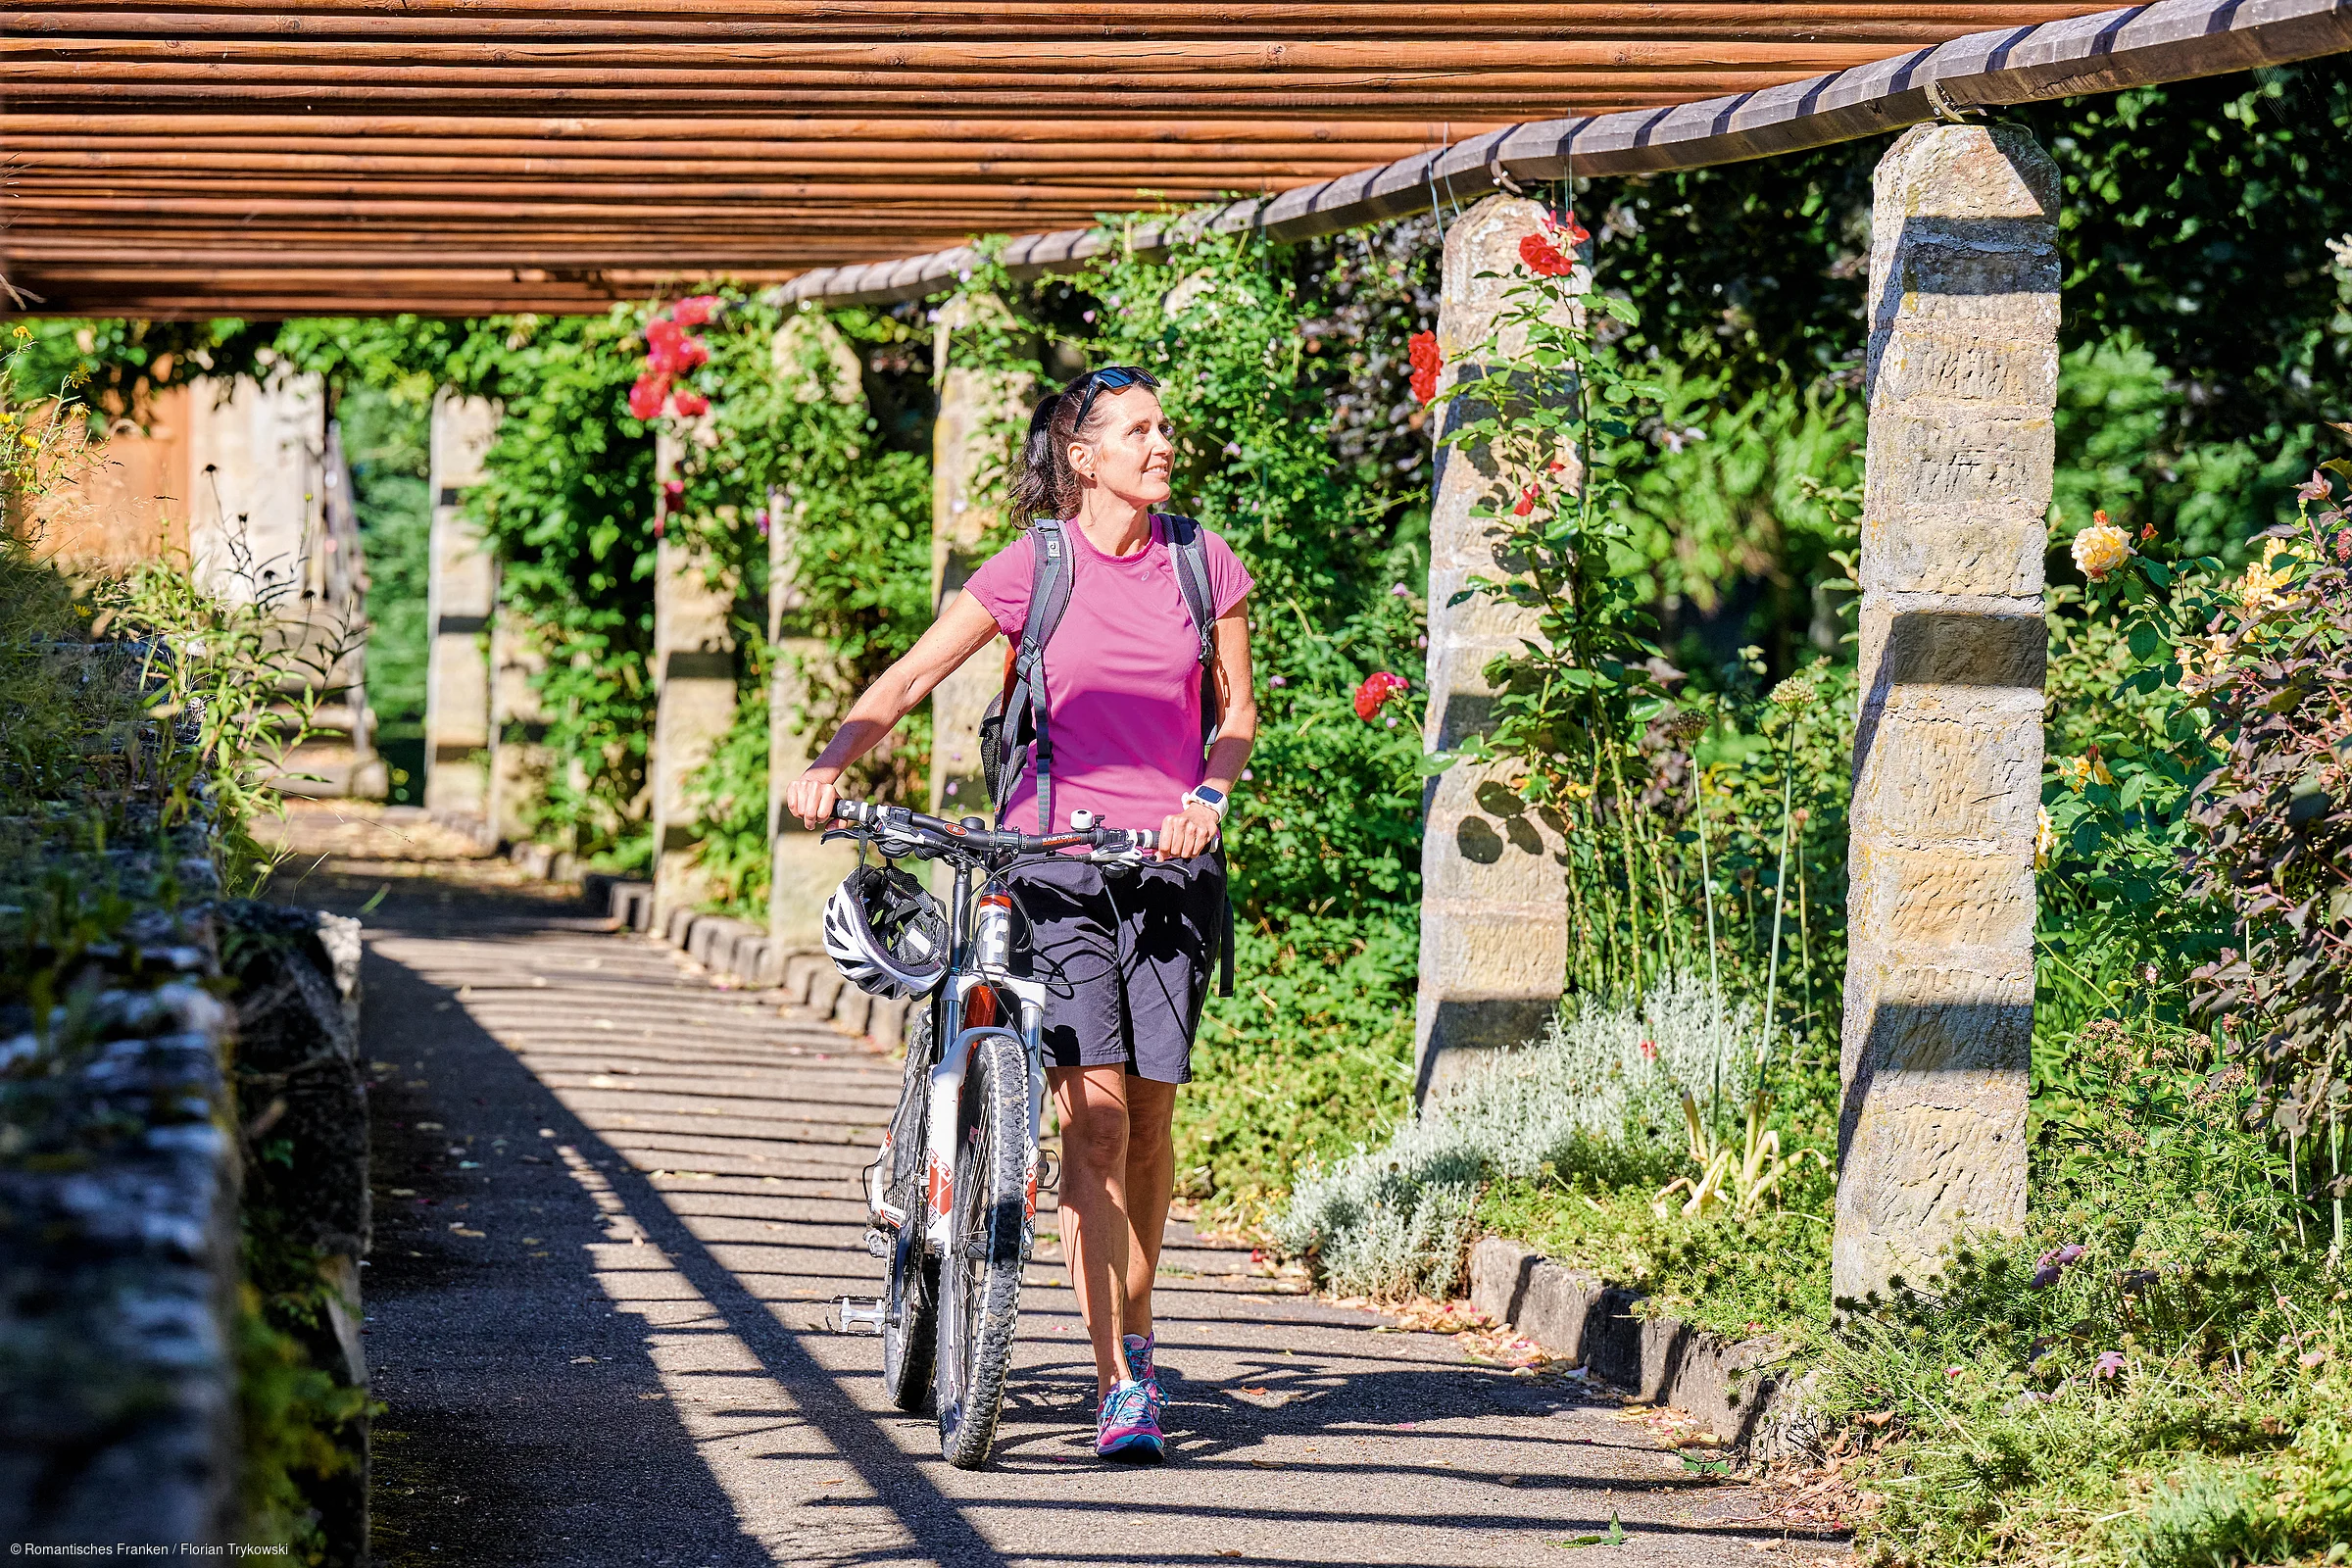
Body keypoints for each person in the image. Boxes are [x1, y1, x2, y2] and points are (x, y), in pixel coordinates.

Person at [784, 366, 1257, 1462]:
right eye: (1139, 429)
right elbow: (906, 679)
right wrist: (830, 762)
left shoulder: (1203, 561)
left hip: (1167, 868)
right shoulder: (1033, 566)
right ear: (1083, 456)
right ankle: (1122, 1376)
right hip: (1052, 866)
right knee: (1091, 1118)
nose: (1163, 442)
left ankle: (1135, 1330)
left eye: (1166, 426)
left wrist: (1209, 797)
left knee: (1149, 1122)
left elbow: (1236, 711)